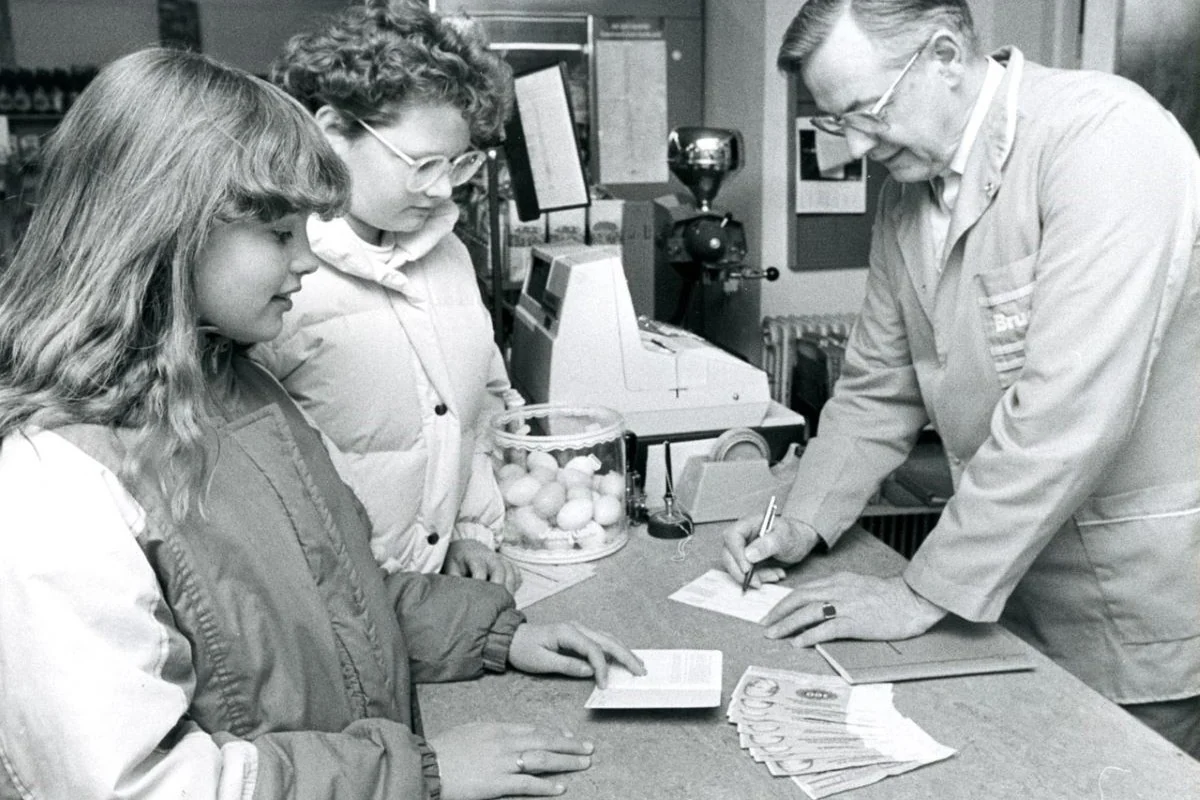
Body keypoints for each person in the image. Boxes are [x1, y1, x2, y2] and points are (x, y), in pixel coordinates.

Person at [0, 47, 644, 800]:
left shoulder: (238, 388)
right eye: (279, 233)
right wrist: (418, 775)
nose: (307, 259)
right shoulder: (52, 484)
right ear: (161, 229)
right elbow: (140, 785)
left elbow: (336, 601)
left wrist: (494, 635)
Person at [722, 0, 1200, 757]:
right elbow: (879, 384)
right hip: (1003, 588)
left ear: (944, 55)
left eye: (864, 112)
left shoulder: (1105, 140)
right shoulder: (906, 196)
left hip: (1126, 608)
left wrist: (917, 591)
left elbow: (1068, 412)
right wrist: (802, 519)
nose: (851, 145)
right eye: (835, 122)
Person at [251, 0, 522, 591]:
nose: (444, 188)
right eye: (422, 164)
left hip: (432, 600)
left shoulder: (449, 253)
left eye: (458, 164)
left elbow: (479, 408)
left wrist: (467, 529)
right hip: (339, 605)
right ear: (331, 133)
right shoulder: (270, 275)